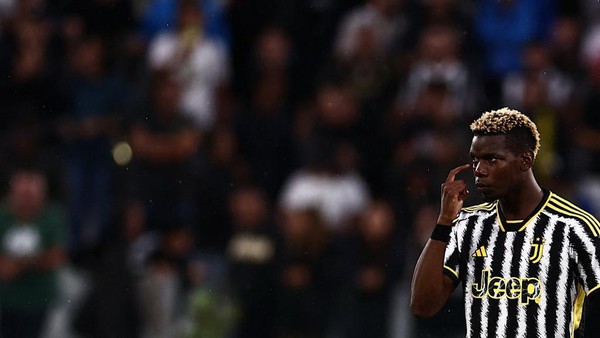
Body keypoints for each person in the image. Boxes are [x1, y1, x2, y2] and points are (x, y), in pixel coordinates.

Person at [410, 107, 600, 337]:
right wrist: (443, 221)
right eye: (475, 160)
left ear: (525, 160)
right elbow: (422, 306)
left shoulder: (574, 227)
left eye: (492, 159)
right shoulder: (467, 225)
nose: (479, 170)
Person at [0, 169, 68, 338]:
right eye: (22, 196)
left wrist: (19, 265)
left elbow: (57, 256)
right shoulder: (3, 216)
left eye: (30, 197)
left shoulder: (52, 217)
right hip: (5, 301)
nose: (26, 203)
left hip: (39, 301)